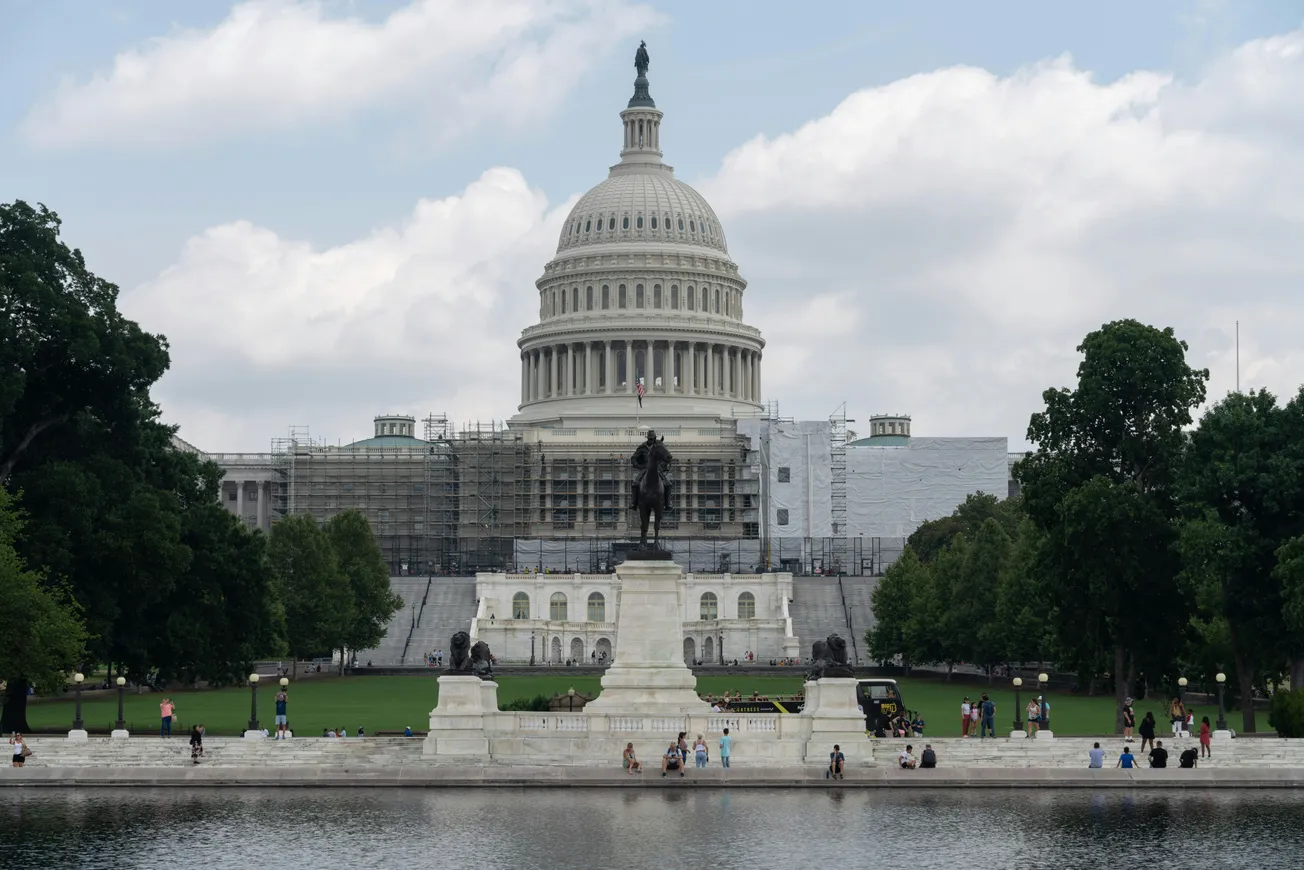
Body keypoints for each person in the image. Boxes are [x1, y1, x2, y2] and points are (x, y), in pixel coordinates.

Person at [631, 430, 673, 511]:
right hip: (645, 469)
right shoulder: (642, 447)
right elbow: (633, 459)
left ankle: (668, 502)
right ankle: (634, 503)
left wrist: (664, 465)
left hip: (658, 469)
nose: (651, 441)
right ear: (647, 439)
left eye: (652, 439)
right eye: (649, 439)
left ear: (655, 438)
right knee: (635, 484)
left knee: (668, 484)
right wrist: (640, 466)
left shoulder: (659, 446)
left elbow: (665, 457)